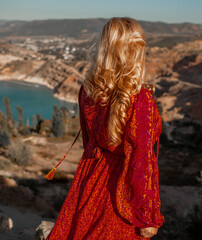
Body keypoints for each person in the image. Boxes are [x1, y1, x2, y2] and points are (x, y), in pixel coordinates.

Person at [46, 17, 164, 240]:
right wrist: (147, 216)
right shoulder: (141, 100)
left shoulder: (87, 90)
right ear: (138, 50)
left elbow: (88, 142)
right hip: (121, 192)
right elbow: (142, 160)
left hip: (89, 182)